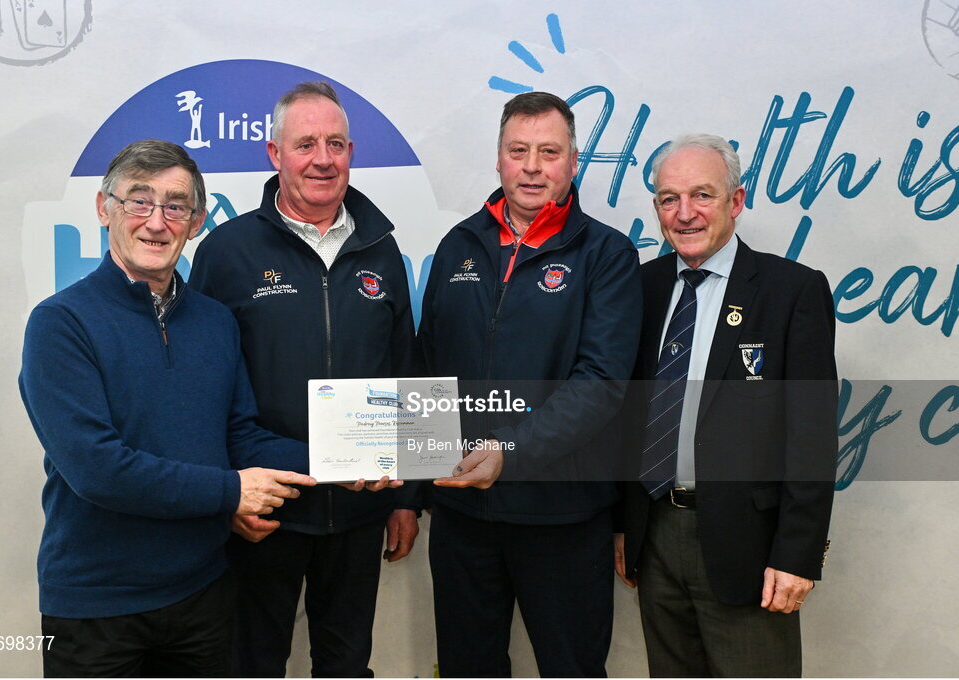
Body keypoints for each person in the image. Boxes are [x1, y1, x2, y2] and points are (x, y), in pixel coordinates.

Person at [19, 139, 316, 677]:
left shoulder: (215, 322)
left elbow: (241, 439)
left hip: (204, 595)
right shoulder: (60, 324)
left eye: (175, 206)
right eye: (139, 201)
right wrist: (231, 491)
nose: (156, 222)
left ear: (196, 220)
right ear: (104, 208)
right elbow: (98, 470)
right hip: (97, 610)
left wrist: (352, 458)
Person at [188, 81, 419, 678]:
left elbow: (403, 372)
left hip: (360, 512)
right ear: (274, 154)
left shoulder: (382, 250)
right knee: (251, 665)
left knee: (347, 666)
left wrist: (404, 499)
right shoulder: (225, 252)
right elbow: (199, 390)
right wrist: (225, 498)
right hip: (266, 509)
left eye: (336, 143)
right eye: (306, 143)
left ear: (351, 152)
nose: (323, 158)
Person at [417, 91, 643, 677]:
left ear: (573, 163)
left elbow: (601, 383)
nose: (533, 166)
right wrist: (409, 490)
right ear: (498, 159)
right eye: (520, 151)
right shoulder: (458, 246)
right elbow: (426, 368)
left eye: (550, 151)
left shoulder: (607, 255)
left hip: (563, 518)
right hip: (463, 514)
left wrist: (509, 453)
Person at [614, 134, 838, 677]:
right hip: (656, 535)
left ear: (735, 202)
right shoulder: (639, 288)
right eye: (669, 199)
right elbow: (628, 418)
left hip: (749, 547)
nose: (684, 213)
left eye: (702, 196)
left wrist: (796, 554)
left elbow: (811, 436)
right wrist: (625, 526)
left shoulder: (792, 292)